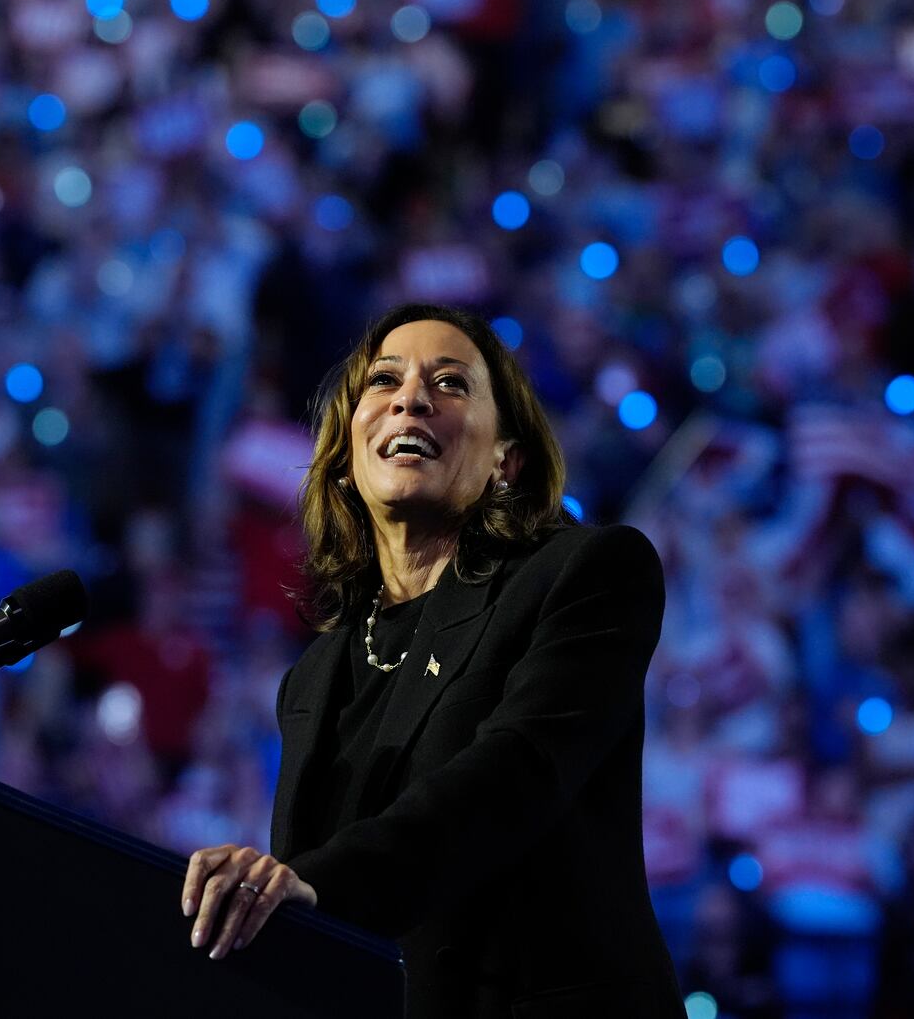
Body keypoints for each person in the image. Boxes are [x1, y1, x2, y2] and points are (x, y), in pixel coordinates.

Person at [178, 303, 685, 1016]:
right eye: (384, 380)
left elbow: (512, 778)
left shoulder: (587, 573)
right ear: (349, 456)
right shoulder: (313, 677)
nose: (410, 397)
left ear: (505, 461)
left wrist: (311, 882)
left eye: (450, 383)